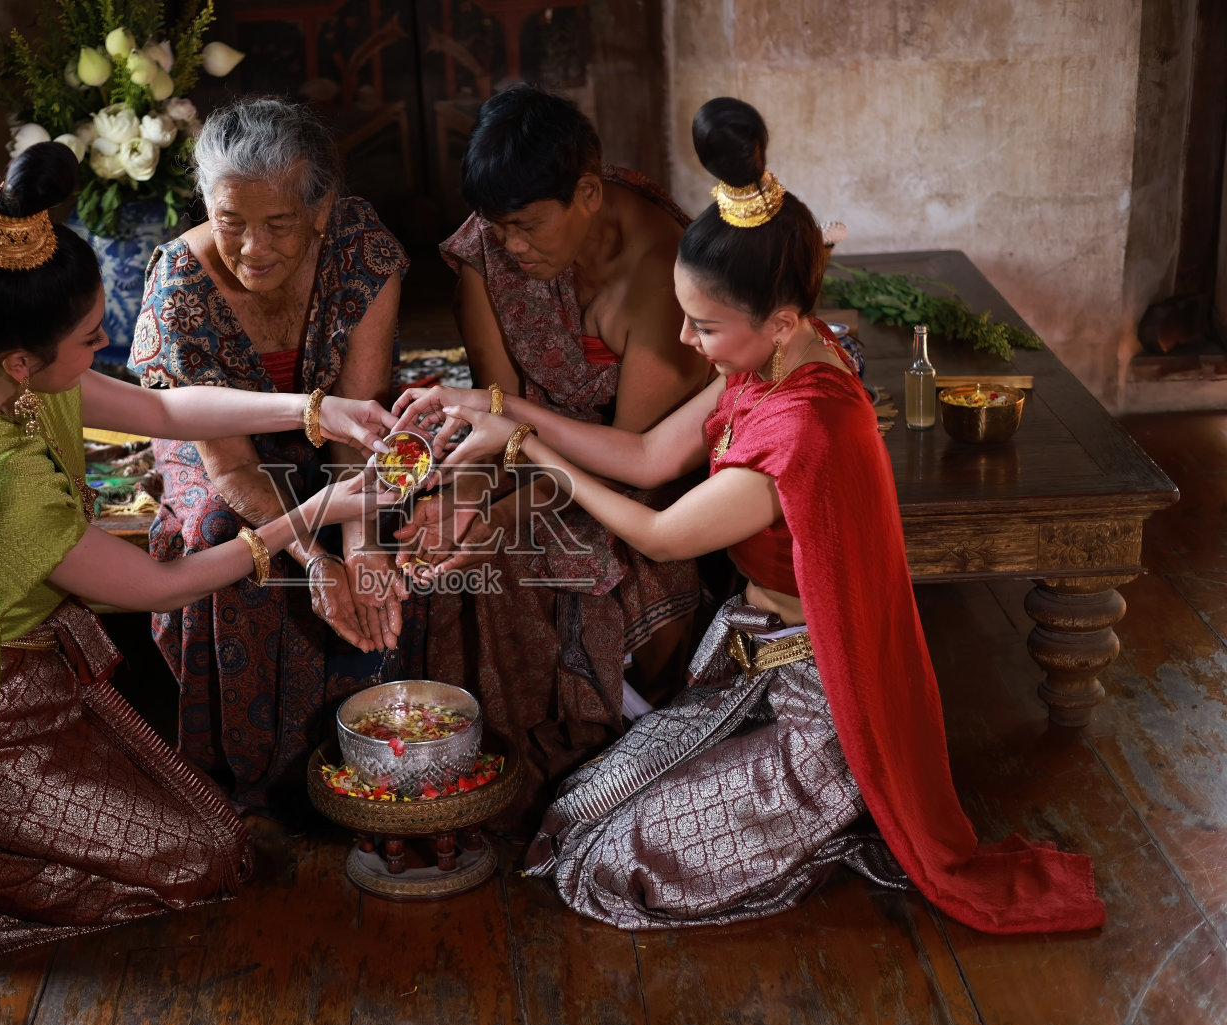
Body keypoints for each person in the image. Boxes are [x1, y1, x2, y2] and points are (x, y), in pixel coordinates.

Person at [391, 99, 1105, 934]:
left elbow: (655, 528)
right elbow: (651, 457)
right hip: (753, 663)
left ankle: (831, 813)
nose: (688, 344)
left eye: (703, 325)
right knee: (570, 819)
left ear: (781, 320)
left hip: (819, 708)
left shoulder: (800, 428)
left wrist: (527, 448)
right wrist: (495, 402)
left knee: (607, 865)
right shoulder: (771, 360)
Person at [0, 143, 394, 991]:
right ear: (28, 361)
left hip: (43, 678)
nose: (107, 343)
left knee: (219, 839)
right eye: (90, 336)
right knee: (208, 861)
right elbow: (162, 585)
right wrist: (323, 513)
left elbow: (160, 407)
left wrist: (319, 408)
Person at [401, 84, 724, 833]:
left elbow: (630, 462)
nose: (511, 247)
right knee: (447, 544)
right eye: (498, 227)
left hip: (632, 472)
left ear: (586, 193)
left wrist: (495, 518)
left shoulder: (663, 275)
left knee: (528, 551)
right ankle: (493, 768)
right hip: (518, 450)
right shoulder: (487, 249)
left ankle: (599, 766)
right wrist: (469, 504)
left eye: (526, 227)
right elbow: (495, 407)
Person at [130, 98, 417, 814]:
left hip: (341, 426)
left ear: (321, 212)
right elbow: (229, 468)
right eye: (231, 223)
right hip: (222, 447)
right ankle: (260, 780)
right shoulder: (181, 291)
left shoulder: (362, 252)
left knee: (410, 514)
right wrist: (315, 560)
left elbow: (359, 436)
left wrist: (361, 543)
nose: (252, 247)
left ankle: (386, 755)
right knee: (226, 537)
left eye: (277, 225)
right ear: (207, 205)